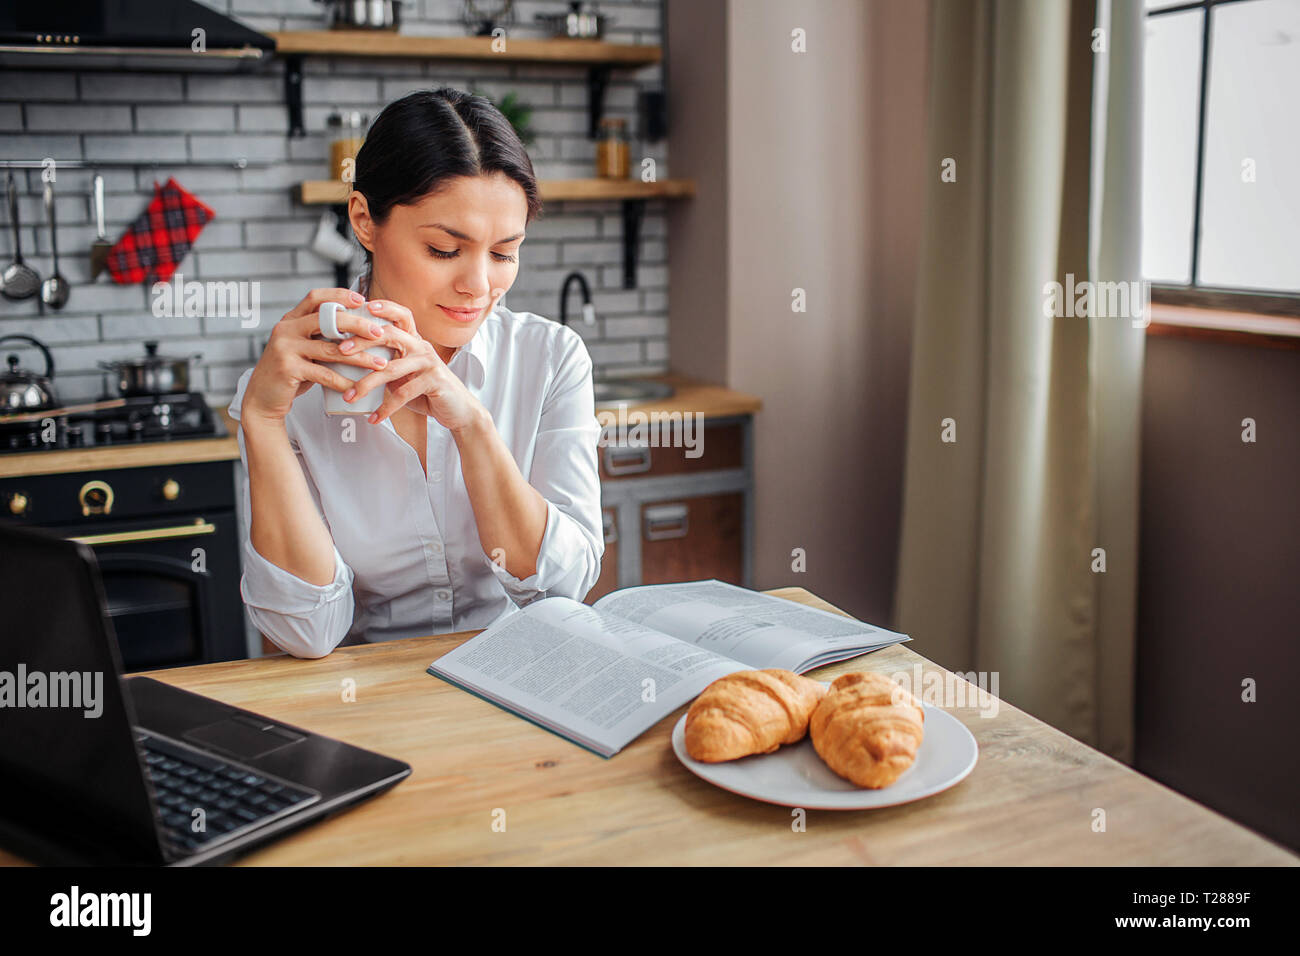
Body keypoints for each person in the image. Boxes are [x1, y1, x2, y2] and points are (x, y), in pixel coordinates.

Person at [227, 87, 604, 658]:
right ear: (364, 221)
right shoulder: (291, 385)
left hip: (518, 679)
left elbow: (563, 587)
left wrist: (473, 426)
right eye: (444, 250)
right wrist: (261, 421)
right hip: (364, 698)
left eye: (504, 254)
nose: (479, 286)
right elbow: (304, 634)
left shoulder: (550, 359)